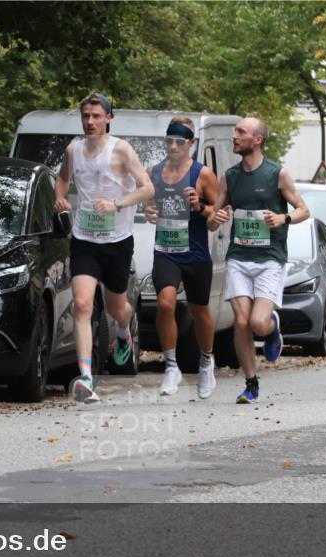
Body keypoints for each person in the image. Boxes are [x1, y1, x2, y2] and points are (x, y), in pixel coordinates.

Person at [55, 92, 155, 403]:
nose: (90, 121)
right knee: (82, 305)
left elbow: (147, 188)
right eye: (86, 116)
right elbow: (62, 178)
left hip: (117, 241)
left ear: (108, 118)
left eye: (96, 116)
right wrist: (60, 199)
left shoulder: (121, 149)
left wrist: (117, 204)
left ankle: (124, 334)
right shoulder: (73, 150)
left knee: (116, 308)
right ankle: (86, 377)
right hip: (84, 239)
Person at [209, 117, 310, 404]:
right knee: (241, 323)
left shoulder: (277, 174)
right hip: (238, 258)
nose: (234, 135)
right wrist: (217, 218)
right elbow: (211, 222)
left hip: (270, 259)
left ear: (257, 140)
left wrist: (283, 218)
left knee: (257, 322)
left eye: (240, 132)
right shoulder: (229, 177)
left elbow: (304, 210)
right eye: (235, 131)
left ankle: (272, 327)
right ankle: (251, 383)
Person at [143, 116, 219, 398]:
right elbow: (149, 206)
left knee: (200, 311)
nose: (173, 146)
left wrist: (199, 206)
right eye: (169, 141)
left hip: (195, 253)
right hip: (165, 250)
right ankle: (171, 367)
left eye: (179, 142)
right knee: (165, 303)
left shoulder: (203, 175)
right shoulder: (153, 172)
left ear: (191, 143)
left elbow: (218, 215)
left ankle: (206, 362)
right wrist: (149, 211)